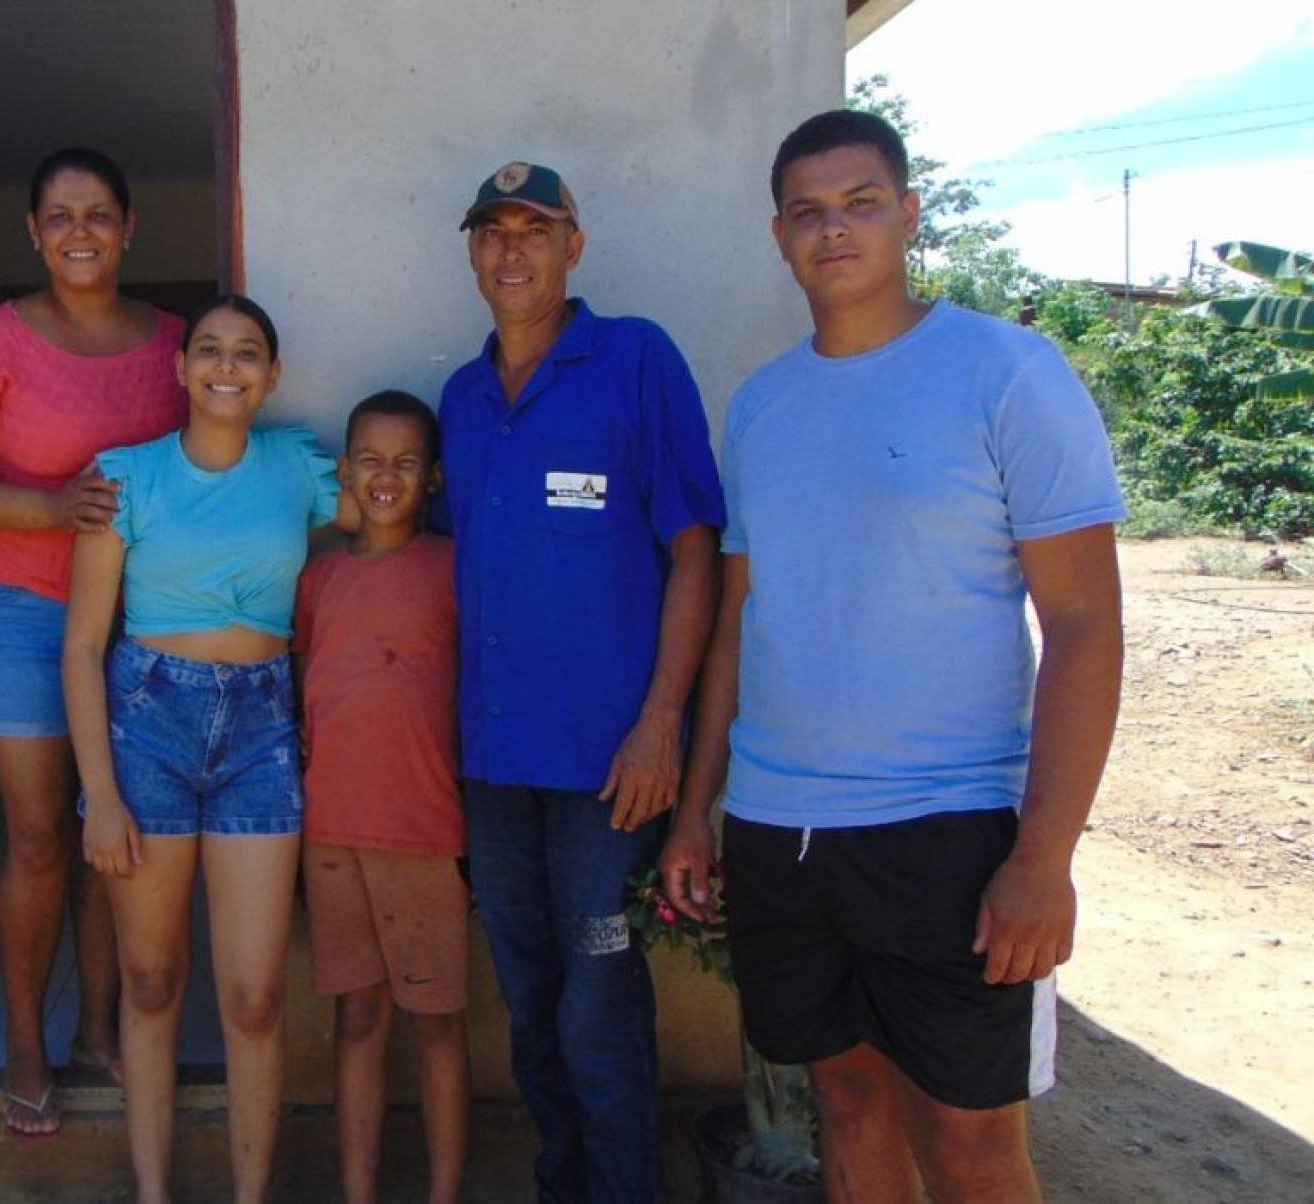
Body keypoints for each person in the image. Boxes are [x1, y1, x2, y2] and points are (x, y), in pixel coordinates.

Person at [659, 109, 1126, 1202]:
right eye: (809, 213)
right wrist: (697, 807)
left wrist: (1043, 855)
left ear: (909, 215)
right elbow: (742, 617)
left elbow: (1088, 627)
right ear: (779, 234)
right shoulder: (763, 404)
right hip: (782, 831)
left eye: (862, 204)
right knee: (847, 1104)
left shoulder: (1007, 372)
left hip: (949, 829)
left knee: (968, 1140)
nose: (836, 232)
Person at [437, 161, 725, 1201]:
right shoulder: (461, 398)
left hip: (613, 766)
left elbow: (695, 552)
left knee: (598, 1004)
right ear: (471, 250)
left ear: (575, 246)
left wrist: (663, 725)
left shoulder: (636, 359)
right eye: (492, 230)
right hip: (495, 765)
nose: (513, 249)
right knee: (529, 999)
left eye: (537, 227)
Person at [0, 147, 184, 1136]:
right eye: (60, 215)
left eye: (99, 213)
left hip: (139, 620)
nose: (80, 230)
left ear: (129, 226)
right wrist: (49, 507)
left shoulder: (174, 344)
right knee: (37, 833)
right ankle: (26, 1037)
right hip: (22, 611)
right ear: (33, 230)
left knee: (115, 828)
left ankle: (98, 1027)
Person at [64, 294, 348, 1204]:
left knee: (258, 996)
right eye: (212, 351)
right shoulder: (124, 478)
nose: (229, 367)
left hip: (262, 726)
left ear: (272, 376)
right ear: (182, 368)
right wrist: (99, 796)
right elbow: (81, 646)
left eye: (249, 353)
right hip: (148, 722)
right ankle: (153, 1191)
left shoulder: (300, 468)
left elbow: (390, 510)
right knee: (149, 982)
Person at [296, 391, 469, 1204]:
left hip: (427, 833)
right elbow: (306, 693)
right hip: (332, 832)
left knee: (438, 1022)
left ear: (433, 478)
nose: (386, 476)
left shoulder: (453, 566)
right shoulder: (319, 572)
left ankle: (443, 1193)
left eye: (406, 462)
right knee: (357, 1019)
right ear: (345, 471)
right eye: (370, 459)